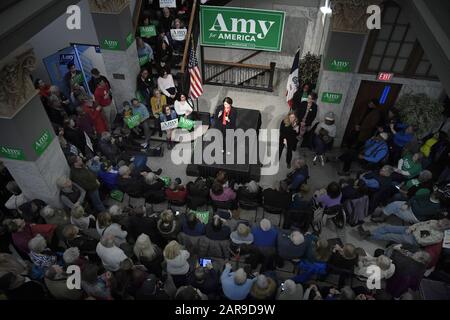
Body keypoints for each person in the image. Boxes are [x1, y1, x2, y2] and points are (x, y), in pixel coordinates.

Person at [358, 218, 450, 247]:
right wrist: (411, 228)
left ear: (443, 229)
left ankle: (369, 234)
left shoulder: (438, 237)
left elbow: (422, 241)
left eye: (439, 225)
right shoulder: (434, 221)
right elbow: (420, 223)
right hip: (410, 229)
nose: (436, 224)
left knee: (388, 235)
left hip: (414, 239)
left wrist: (413, 232)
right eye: (438, 222)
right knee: (387, 227)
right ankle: (369, 234)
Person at [371, 191, 442, 224]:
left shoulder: (435, 207)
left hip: (415, 216)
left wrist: (412, 203)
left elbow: (419, 211)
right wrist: (408, 204)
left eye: (435, 193)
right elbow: (414, 197)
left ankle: (383, 217)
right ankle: (384, 215)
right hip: (410, 206)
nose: (433, 192)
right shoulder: (428, 194)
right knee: (395, 204)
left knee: (395, 208)